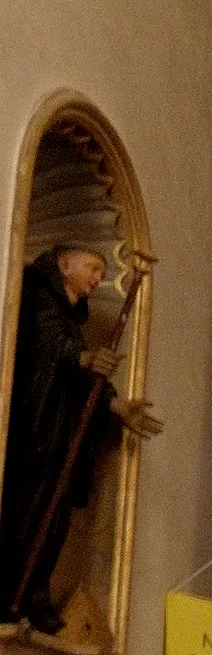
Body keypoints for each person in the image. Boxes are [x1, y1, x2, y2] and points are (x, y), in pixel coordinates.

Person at [0, 243, 160, 633]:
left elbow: (79, 375)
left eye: (103, 272)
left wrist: (114, 405)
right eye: (91, 267)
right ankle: (9, 591)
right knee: (27, 514)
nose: (98, 278)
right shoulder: (39, 298)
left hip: (58, 436)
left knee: (53, 522)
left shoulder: (72, 320)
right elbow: (45, 345)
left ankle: (35, 593)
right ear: (63, 263)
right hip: (34, 433)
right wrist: (83, 358)